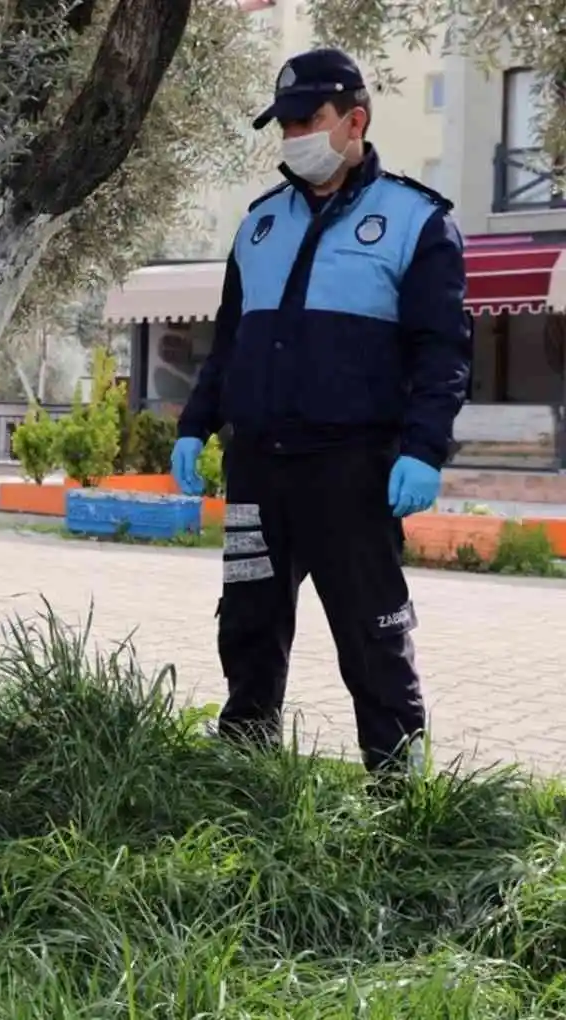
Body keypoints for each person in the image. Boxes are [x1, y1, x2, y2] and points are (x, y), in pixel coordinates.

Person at [169, 47, 471, 776]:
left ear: (355, 120)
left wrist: (424, 448)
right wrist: (193, 425)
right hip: (257, 469)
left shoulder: (415, 221)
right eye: (286, 122)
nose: (294, 134)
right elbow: (230, 342)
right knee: (247, 622)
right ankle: (246, 765)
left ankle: (398, 790)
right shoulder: (259, 226)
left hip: (352, 471)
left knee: (372, 632)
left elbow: (443, 352)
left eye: (310, 118)